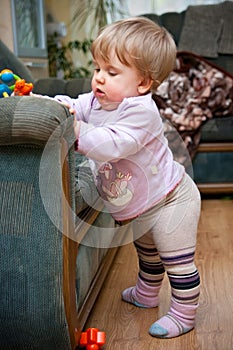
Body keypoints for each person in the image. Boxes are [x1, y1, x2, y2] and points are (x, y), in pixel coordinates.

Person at [53, 17, 201, 339]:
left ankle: (184, 313)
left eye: (112, 72)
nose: (99, 80)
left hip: (171, 199)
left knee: (175, 260)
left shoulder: (141, 112)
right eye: (97, 69)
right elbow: (76, 106)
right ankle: (147, 294)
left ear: (143, 84)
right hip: (140, 205)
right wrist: (57, 108)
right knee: (147, 252)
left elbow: (114, 144)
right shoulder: (99, 100)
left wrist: (75, 130)